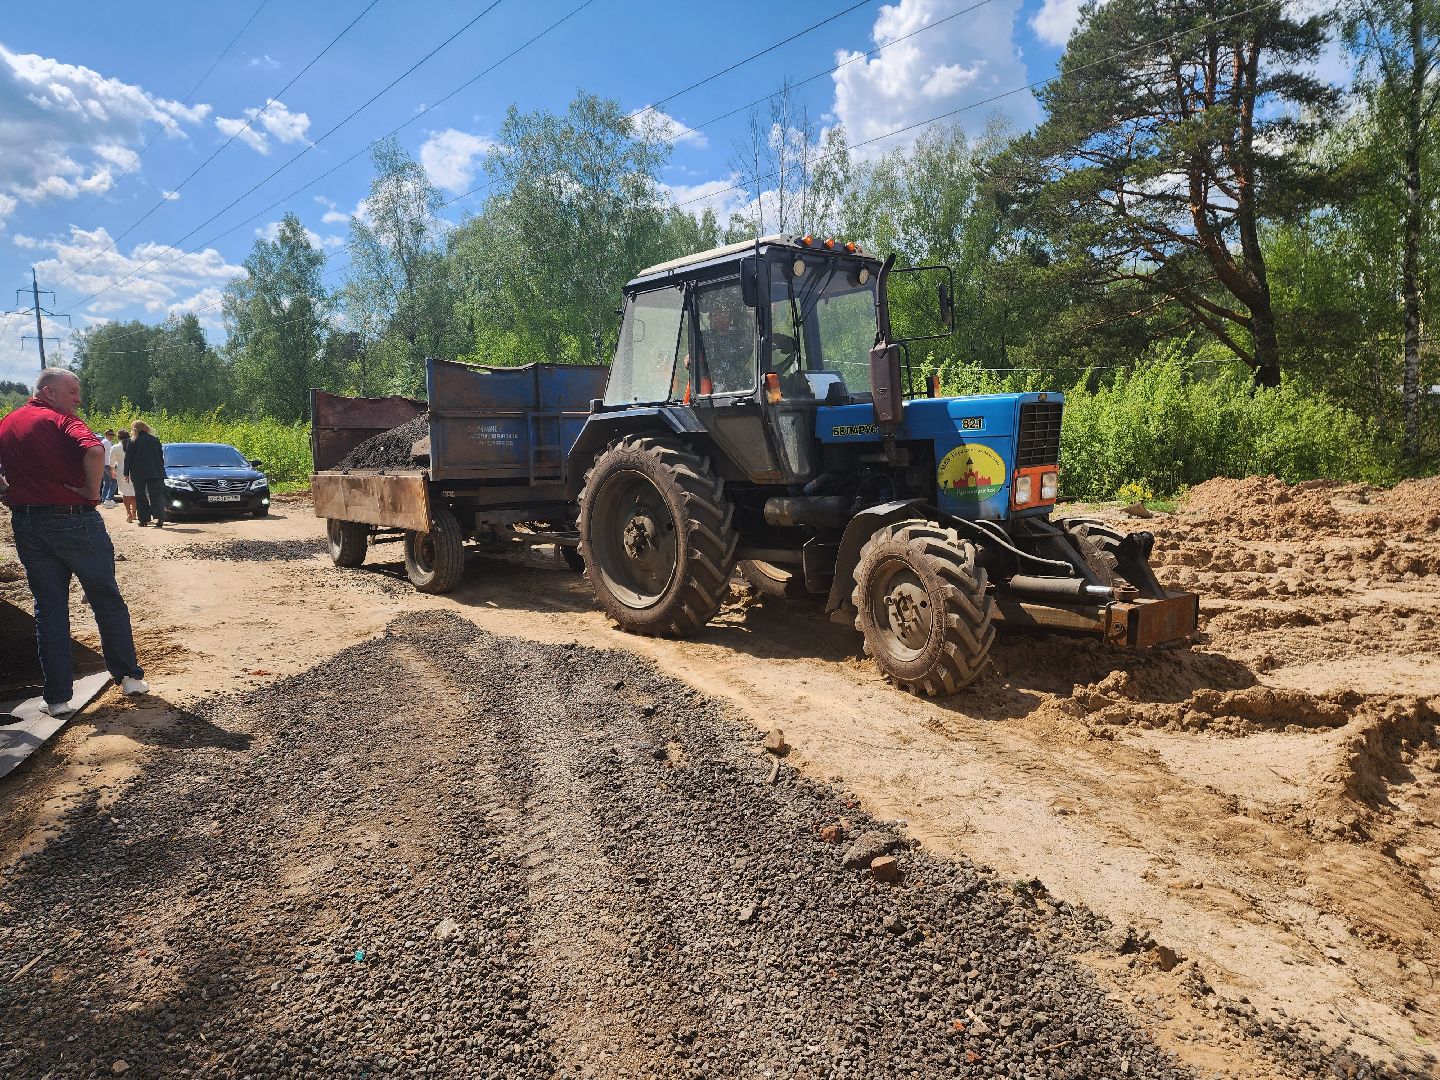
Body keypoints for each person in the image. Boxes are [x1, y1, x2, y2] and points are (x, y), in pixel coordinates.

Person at [0, 368, 148, 716]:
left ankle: (57, 699)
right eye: (72, 391)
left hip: (27, 523)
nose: (77, 399)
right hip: (74, 520)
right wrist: (91, 491)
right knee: (105, 599)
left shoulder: (7, 423)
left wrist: (4, 489)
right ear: (48, 391)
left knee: (49, 610)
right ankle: (128, 677)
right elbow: (95, 452)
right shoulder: (64, 421)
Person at [125, 419, 166, 527]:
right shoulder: (154, 440)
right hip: (155, 472)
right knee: (156, 496)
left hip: (138, 473)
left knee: (140, 496)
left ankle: (143, 520)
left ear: (134, 429)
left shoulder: (133, 441)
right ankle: (160, 518)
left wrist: (126, 473)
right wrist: (162, 471)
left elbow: (128, 458)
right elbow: (160, 457)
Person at [110, 430, 136, 522]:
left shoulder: (115, 447)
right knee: (134, 492)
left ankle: (128, 513)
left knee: (125, 493)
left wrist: (112, 471)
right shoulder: (134, 445)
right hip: (134, 470)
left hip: (121, 471)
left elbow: (112, 462)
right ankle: (134, 513)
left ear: (118, 437)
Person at [99, 428, 118, 507]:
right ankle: (108, 498)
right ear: (106, 435)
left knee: (107, 483)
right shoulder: (107, 443)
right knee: (114, 481)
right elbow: (112, 455)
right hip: (108, 465)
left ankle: (104, 499)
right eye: (110, 435)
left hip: (103, 464)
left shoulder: (103, 442)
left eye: (112, 435)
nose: (112, 436)